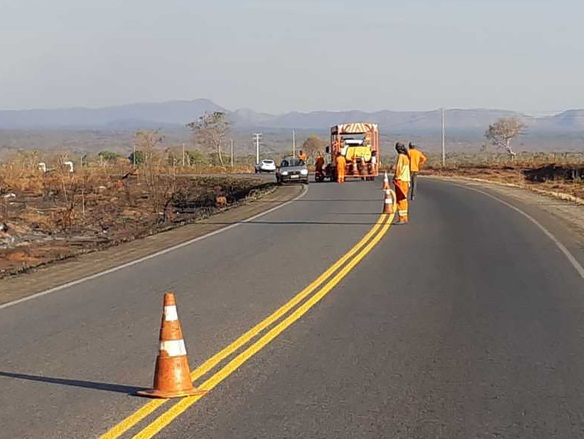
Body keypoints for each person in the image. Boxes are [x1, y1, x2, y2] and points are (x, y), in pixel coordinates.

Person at [393, 142, 411, 224]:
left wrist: (395, 177)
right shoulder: (406, 157)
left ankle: (401, 218)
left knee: (400, 200)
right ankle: (405, 217)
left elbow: (399, 169)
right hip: (406, 181)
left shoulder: (401, 157)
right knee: (404, 199)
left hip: (401, 180)